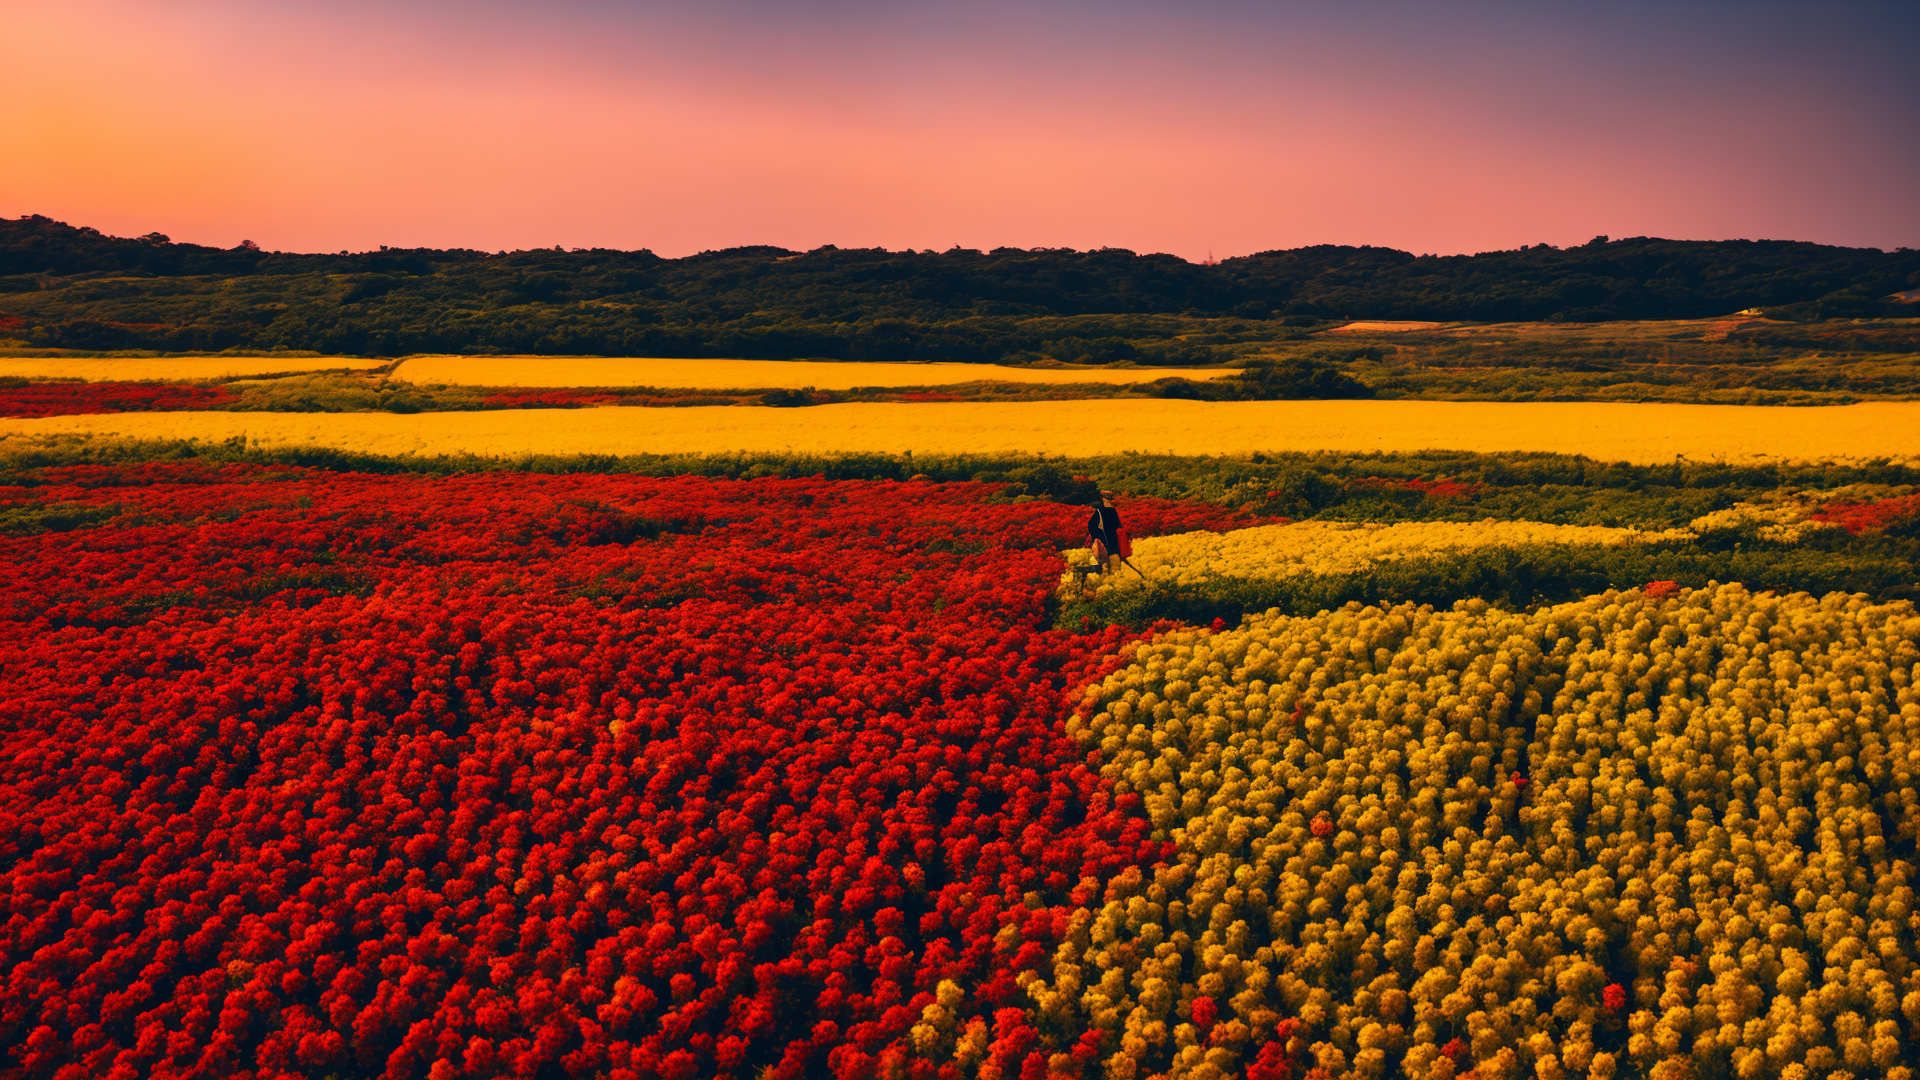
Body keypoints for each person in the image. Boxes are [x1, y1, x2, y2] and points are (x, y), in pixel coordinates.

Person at [1085, 491, 1126, 577]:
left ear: (1103, 499)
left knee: (1105, 571)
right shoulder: (1113, 512)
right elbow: (1119, 526)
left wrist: (1097, 538)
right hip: (1114, 547)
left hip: (1103, 547)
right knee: (1115, 571)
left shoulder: (1099, 511)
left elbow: (1091, 526)